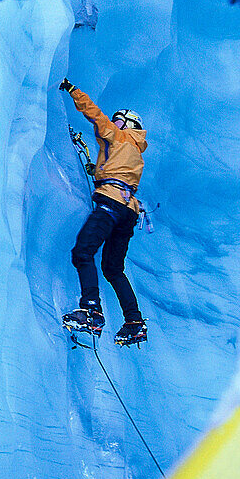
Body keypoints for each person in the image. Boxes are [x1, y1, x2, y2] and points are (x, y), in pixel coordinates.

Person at [59, 78, 149, 346]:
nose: (114, 123)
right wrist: (97, 172)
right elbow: (116, 171)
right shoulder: (136, 151)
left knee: (83, 252)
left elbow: (95, 115)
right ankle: (134, 323)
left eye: (119, 120)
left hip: (110, 203)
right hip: (129, 210)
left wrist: (73, 90)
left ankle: (91, 311)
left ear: (128, 125)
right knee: (113, 268)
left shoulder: (119, 135)